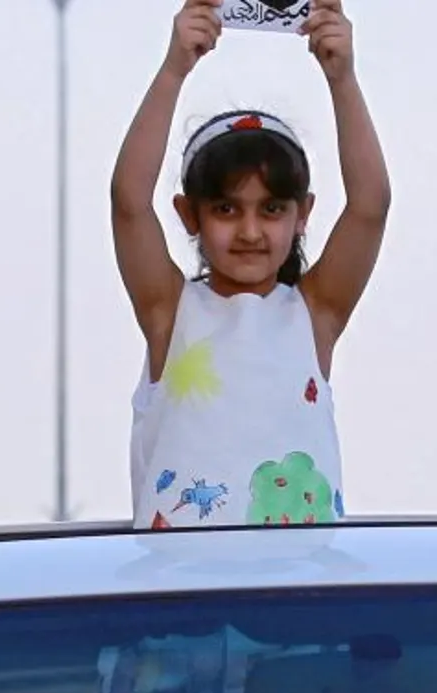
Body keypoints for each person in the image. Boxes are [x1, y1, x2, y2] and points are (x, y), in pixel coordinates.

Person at [112, 0, 391, 530]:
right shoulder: (169, 313)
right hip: (185, 595)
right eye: (225, 209)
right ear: (188, 214)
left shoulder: (314, 315)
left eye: (271, 209)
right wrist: (175, 69)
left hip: (296, 593)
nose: (249, 231)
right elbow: (128, 202)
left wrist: (342, 78)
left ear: (302, 214)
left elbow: (370, 207)